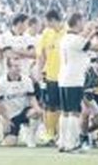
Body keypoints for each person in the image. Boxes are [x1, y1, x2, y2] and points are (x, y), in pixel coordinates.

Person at [56, 13, 94, 152]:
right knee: (74, 112)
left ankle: (62, 142)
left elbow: (84, 42)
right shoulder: (75, 39)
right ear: (78, 22)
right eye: (82, 21)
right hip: (74, 78)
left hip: (63, 78)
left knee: (65, 112)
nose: (84, 24)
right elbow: (95, 46)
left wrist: (89, 32)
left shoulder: (66, 38)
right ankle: (72, 144)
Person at [0, 61, 42, 147]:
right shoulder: (1, 82)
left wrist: (37, 108)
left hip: (24, 111)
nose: (18, 68)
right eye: (15, 66)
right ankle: (10, 134)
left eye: (19, 66)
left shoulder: (27, 80)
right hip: (10, 115)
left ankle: (30, 137)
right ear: (9, 68)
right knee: (9, 143)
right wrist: (6, 119)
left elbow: (32, 97)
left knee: (37, 112)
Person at [36, 9, 65, 144]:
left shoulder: (67, 31)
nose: (46, 24)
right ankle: (50, 133)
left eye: (47, 21)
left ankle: (61, 134)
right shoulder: (46, 33)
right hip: (51, 75)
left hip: (65, 76)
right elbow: (41, 54)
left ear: (53, 20)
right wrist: (39, 71)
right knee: (50, 106)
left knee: (64, 107)